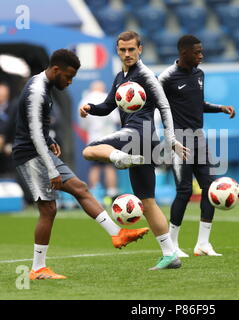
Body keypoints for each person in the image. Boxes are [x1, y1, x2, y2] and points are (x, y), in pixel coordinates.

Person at [12, 49, 149, 280]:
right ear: (56, 70)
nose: (70, 81)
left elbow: (35, 126)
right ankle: (37, 269)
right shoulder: (37, 91)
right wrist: (52, 167)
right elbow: (34, 134)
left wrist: (50, 140)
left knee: (80, 188)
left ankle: (117, 234)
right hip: (30, 155)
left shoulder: (44, 85)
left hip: (40, 150)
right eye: (68, 76)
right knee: (48, 209)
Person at [79, 31, 189, 270]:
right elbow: (108, 106)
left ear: (140, 49)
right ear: (117, 51)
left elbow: (164, 105)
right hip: (141, 140)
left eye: (131, 49)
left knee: (89, 150)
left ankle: (120, 158)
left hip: (138, 134)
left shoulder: (146, 75)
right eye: (122, 50)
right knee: (147, 201)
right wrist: (90, 107)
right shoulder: (120, 77)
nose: (127, 54)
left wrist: (171, 139)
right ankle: (170, 255)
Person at [158, 35, 235, 257]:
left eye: (202, 52)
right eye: (197, 52)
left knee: (210, 189)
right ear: (184, 53)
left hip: (199, 138)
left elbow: (197, 104)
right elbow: (154, 104)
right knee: (183, 191)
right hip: (179, 140)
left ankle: (203, 243)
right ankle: (172, 245)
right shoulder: (166, 77)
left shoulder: (200, 74)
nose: (201, 56)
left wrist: (220, 107)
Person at [78, 80, 121, 203]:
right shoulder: (107, 98)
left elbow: (83, 123)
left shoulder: (84, 100)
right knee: (109, 166)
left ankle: (95, 193)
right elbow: (116, 119)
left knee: (95, 167)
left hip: (93, 138)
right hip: (108, 138)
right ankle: (111, 193)